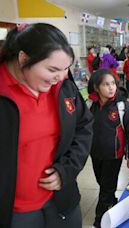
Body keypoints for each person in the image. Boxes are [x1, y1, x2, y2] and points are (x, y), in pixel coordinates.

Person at [0, 23, 93, 228]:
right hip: (15, 212)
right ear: (23, 58)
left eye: (65, 69)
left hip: (62, 200)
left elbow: (84, 126)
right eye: (52, 69)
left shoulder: (62, 87)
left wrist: (67, 169)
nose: (60, 77)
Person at [87, 69, 129, 228]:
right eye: (106, 84)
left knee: (106, 186)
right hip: (95, 153)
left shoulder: (122, 106)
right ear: (96, 87)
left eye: (113, 84)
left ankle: (100, 220)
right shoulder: (90, 105)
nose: (111, 88)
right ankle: (112, 200)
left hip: (114, 154)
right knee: (102, 182)